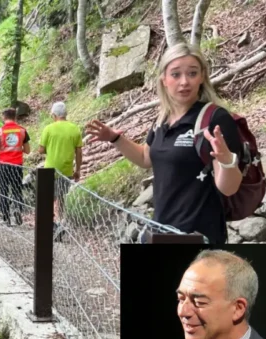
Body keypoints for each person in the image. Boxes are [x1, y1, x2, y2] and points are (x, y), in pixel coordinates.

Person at [86, 43, 243, 244]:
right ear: (164, 79)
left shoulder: (215, 119)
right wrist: (115, 138)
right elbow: (145, 158)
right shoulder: (163, 119)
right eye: (176, 74)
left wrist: (226, 159)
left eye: (192, 73)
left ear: (202, 76)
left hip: (198, 236)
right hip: (160, 230)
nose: (184, 82)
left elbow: (229, 188)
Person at [39, 101, 83, 223]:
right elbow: (79, 152)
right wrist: (78, 170)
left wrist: (51, 148)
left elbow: (41, 150)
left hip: (50, 169)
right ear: (65, 114)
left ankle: (50, 221)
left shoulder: (48, 129)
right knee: (62, 196)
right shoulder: (75, 128)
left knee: (49, 196)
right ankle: (61, 220)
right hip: (66, 169)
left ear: (54, 115)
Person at [0, 108, 30, 226]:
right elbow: (27, 150)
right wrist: (17, 148)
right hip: (17, 165)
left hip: (3, 166)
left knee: (3, 190)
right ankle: (17, 209)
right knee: (17, 189)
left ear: (4, 118)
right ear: (15, 117)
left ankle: (6, 217)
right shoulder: (22, 131)